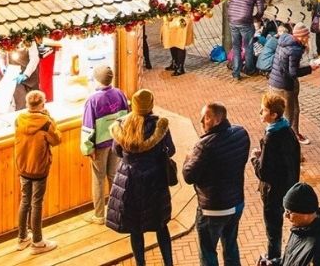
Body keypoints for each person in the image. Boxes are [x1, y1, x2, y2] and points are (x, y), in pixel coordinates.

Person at [107, 89, 176, 266]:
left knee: (135, 228)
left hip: (129, 180)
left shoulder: (122, 125)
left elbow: (117, 151)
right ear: (151, 104)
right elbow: (171, 150)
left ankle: (140, 263)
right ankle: (168, 263)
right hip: (155, 178)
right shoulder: (159, 125)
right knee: (161, 224)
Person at [184, 102, 251, 266]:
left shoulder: (204, 146)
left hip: (212, 209)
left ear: (217, 120)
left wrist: (188, 159)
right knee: (231, 245)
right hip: (236, 204)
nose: (201, 121)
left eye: (206, 118)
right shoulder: (241, 134)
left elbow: (188, 176)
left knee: (207, 251)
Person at [253, 91, 302, 262]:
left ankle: (274, 258)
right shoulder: (287, 130)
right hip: (287, 186)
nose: (261, 113)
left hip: (273, 191)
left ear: (273, 115)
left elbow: (264, 172)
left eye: (264, 110)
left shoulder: (271, 137)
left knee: (273, 229)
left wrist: (255, 159)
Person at [12, 90, 62, 251]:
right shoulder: (46, 123)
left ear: (27, 104)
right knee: (36, 203)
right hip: (39, 167)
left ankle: (22, 238)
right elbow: (56, 140)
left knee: (25, 200)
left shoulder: (19, 119)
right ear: (43, 104)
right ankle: (37, 241)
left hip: (23, 166)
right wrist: (50, 118)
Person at [80, 64, 129, 226]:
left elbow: (88, 127)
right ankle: (119, 210)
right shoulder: (120, 94)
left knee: (98, 179)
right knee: (114, 176)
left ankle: (99, 215)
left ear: (96, 79)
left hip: (100, 146)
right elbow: (127, 116)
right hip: (117, 141)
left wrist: (88, 148)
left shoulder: (93, 100)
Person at [268, 23, 316, 144]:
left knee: (277, 111)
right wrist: (310, 68)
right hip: (285, 85)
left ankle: (287, 135)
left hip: (274, 81)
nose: (308, 38)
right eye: (306, 36)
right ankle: (288, 139)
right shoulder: (295, 50)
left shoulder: (285, 40)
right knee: (290, 113)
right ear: (301, 36)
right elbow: (293, 72)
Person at [278, 182, 320, 266]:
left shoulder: (319, 249)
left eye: (289, 212)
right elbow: (290, 259)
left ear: (305, 213)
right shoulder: (298, 229)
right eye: (285, 210)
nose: (285, 215)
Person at [228, 0, 264, 80]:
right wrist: (256, 17)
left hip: (232, 18)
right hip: (245, 20)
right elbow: (261, 9)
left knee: (236, 46)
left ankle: (236, 73)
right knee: (248, 46)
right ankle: (249, 69)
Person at [162, 11, 194, 75]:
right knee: (171, 41)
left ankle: (180, 67)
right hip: (171, 17)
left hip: (182, 18)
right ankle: (175, 64)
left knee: (180, 42)